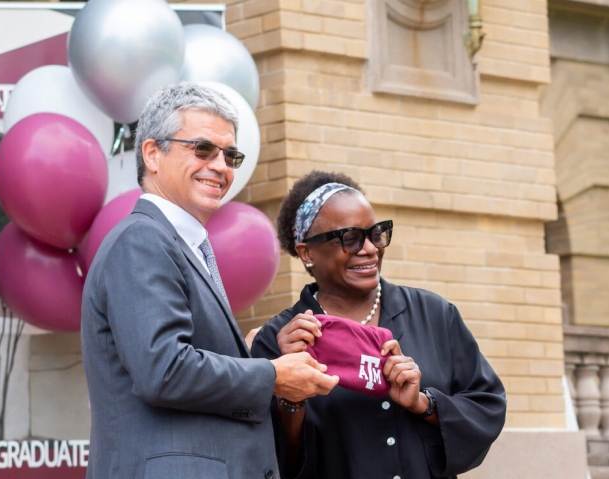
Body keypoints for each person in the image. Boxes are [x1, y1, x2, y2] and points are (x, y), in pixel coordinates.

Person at [80, 84, 338, 479]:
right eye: (202, 149)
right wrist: (273, 375)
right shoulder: (142, 240)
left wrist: (257, 353)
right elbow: (164, 370)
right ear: (152, 153)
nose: (221, 166)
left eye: (230, 155)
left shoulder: (181, 244)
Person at [251, 170, 507, 479]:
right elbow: (270, 459)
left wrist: (424, 403)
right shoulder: (279, 343)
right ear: (307, 253)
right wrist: (292, 399)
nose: (371, 248)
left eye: (376, 233)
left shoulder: (434, 315)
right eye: (350, 238)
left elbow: (486, 407)